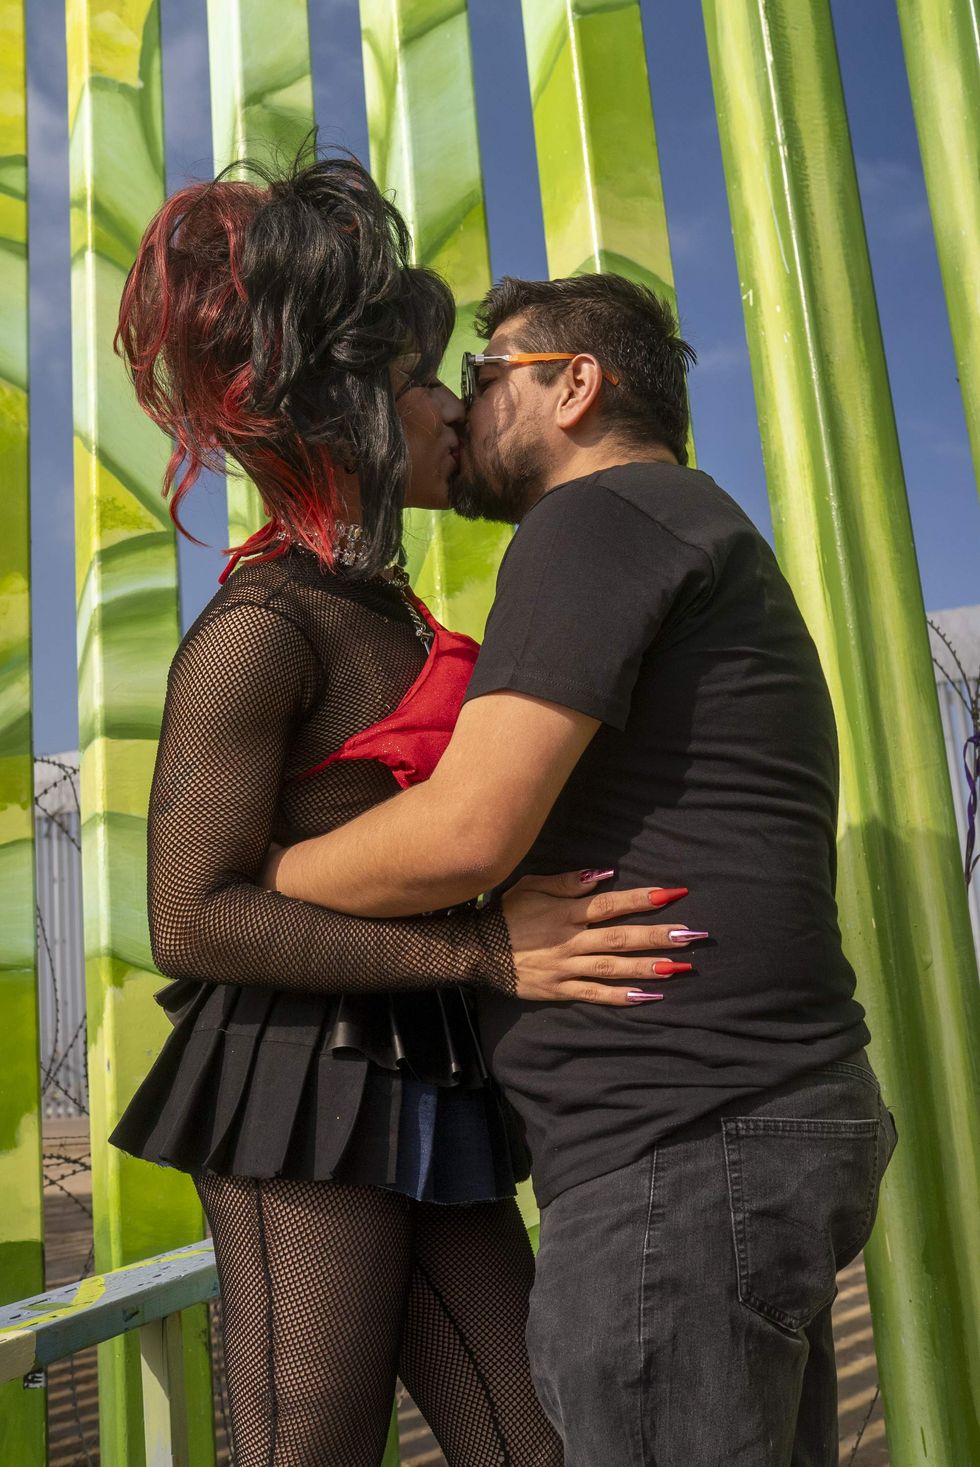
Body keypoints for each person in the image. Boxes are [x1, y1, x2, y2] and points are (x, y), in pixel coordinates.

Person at [109, 159, 686, 1467]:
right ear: (355, 407)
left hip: (428, 1066)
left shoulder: (383, 613)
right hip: (293, 1075)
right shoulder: (261, 626)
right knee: (313, 1447)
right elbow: (191, 917)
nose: (450, 407)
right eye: (425, 382)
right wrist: (484, 948)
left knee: (545, 1442)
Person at [267, 272, 898, 1466]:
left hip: (683, 1142)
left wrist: (268, 875)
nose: (457, 406)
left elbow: (468, 832)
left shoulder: (596, 521)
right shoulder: (687, 521)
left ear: (572, 385)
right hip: (738, 1133)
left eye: (484, 372)